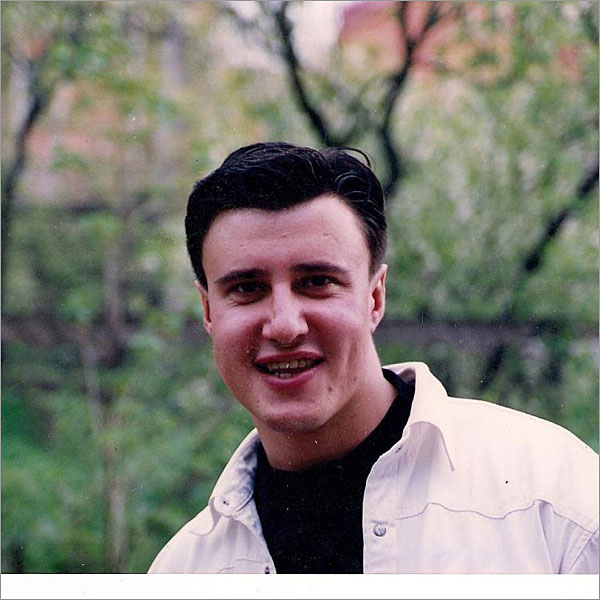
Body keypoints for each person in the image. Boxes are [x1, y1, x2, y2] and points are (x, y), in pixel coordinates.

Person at [148, 141, 599, 574]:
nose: (284, 325)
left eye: (317, 282)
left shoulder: (553, 500)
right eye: (247, 288)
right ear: (208, 311)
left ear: (375, 297)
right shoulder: (184, 572)